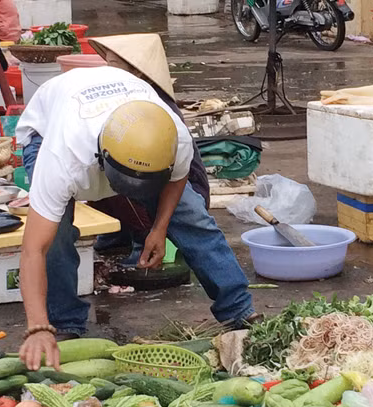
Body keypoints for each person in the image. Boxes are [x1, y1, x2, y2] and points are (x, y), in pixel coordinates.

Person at [15, 65, 255, 369]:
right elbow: (34, 249)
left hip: (124, 118)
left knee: (192, 216)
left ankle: (240, 311)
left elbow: (178, 179)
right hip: (48, 128)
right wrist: (36, 326)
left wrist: (160, 227)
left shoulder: (172, 137)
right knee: (57, 236)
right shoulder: (63, 158)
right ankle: (63, 324)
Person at [86, 33, 212, 264]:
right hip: (156, 183)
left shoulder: (154, 106)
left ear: (138, 72)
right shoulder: (125, 98)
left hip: (181, 187)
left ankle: (143, 239)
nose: (108, 71)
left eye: (114, 66)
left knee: (121, 170)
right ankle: (118, 233)